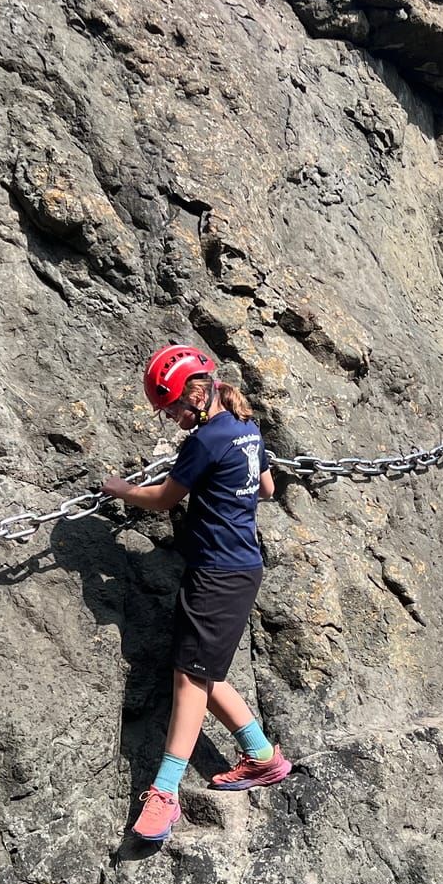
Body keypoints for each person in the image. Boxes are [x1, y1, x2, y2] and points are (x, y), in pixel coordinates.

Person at [102, 344, 292, 841]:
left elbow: (164, 498)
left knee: (188, 679)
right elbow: (267, 489)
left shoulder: (206, 438)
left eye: (172, 409)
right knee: (203, 673)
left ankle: (163, 794)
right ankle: (263, 757)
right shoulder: (246, 426)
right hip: (239, 565)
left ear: (194, 395)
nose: (172, 418)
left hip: (217, 571)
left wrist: (118, 488)